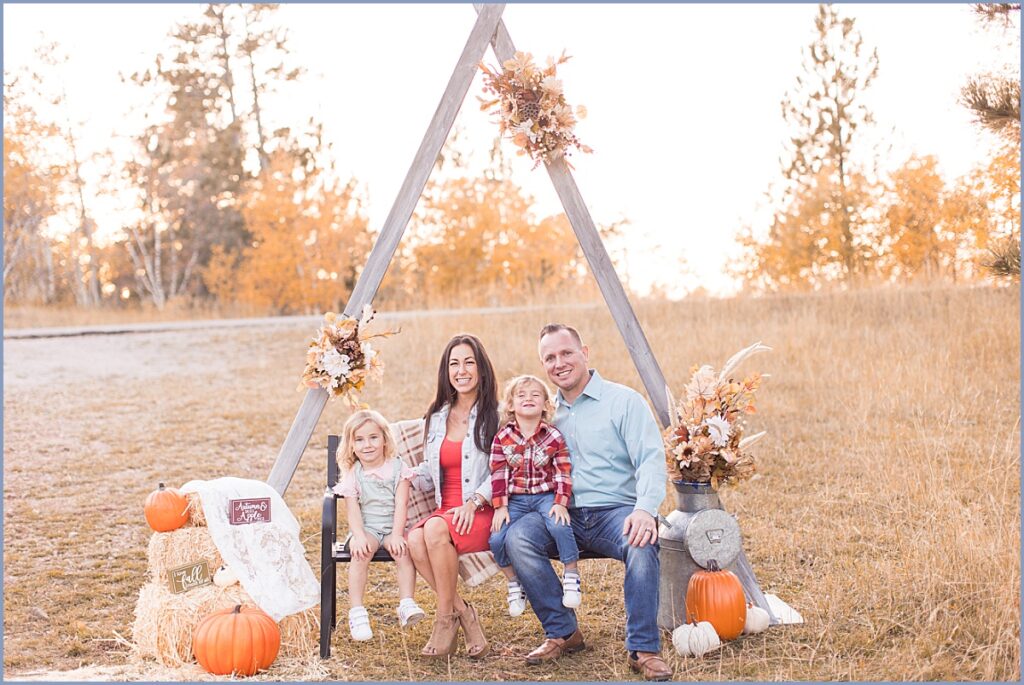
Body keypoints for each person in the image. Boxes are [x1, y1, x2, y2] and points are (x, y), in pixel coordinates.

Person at [503, 323, 673, 681]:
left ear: (585, 352)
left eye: (566, 353)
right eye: (549, 358)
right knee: (517, 538)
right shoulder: (544, 413)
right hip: (558, 512)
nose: (558, 363)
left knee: (642, 542)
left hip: (616, 512)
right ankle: (564, 632)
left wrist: (645, 510)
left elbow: (650, 460)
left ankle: (643, 648)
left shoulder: (623, 401)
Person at [407, 333, 499, 659]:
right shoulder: (436, 417)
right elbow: (431, 473)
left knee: (431, 531)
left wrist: (474, 501)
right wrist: (402, 475)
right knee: (414, 540)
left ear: (482, 369)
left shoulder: (496, 416)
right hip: (446, 512)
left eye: (469, 362)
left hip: (481, 511)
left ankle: (445, 618)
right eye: (454, 363)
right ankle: (464, 613)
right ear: (446, 371)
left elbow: (503, 472)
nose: (461, 370)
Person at [489, 374, 580, 617]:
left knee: (560, 525)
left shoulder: (553, 436)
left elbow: (562, 471)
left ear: (546, 405)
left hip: (544, 496)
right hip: (516, 500)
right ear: (510, 405)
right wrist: (500, 506)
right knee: (497, 539)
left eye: (535, 395)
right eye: (521, 395)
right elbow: (498, 472)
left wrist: (560, 502)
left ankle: (571, 573)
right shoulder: (502, 437)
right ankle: (513, 582)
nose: (528, 399)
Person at [333, 409, 425, 641]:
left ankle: (406, 603)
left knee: (403, 552)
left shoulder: (397, 467)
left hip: (395, 525)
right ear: (351, 445)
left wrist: (396, 534)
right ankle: (357, 612)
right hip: (368, 528)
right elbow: (352, 508)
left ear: (385, 439)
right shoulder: (353, 472)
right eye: (359, 439)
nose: (367, 445)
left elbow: (402, 503)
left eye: (373, 437)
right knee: (360, 554)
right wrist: (358, 535)